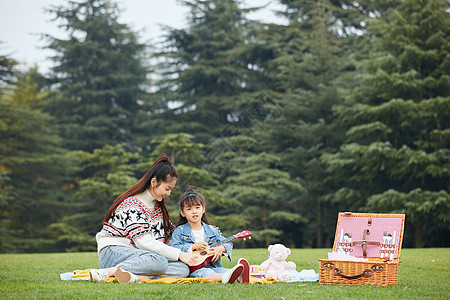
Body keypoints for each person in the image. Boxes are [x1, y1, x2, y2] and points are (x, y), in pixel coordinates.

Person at [88, 155, 196, 284]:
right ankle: (108, 272)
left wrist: (191, 248)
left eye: (171, 189)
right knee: (159, 262)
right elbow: (144, 242)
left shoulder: (157, 207)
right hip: (113, 251)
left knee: (182, 269)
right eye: (167, 189)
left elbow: (166, 240)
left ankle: (136, 277)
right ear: (154, 182)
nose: (169, 194)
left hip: (139, 256)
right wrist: (179, 254)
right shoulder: (131, 205)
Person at [171, 188, 250, 284]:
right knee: (206, 272)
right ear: (182, 213)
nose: (194, 211)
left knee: (222, 270)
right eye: (189, 209)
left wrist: (221, 248)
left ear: (203, 209)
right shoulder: (179, 231)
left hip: (213, 265)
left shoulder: (212, 230)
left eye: (197, 207)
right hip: (193, 267)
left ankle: (236, 275)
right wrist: (192, 247)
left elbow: (228, 244)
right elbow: (174, 249)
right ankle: (226, 277)